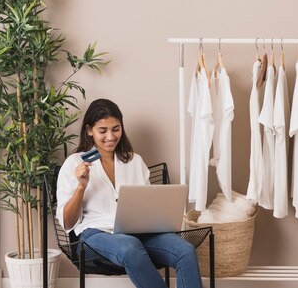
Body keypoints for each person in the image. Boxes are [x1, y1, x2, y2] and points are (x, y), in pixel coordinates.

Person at [56, 98, 202, 288]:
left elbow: (148, 206)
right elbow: (67, 222)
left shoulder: (134, 161)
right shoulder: (74, 163)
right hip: (96, 235)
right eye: (103, 130)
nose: (111, 136)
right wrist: (81, 187)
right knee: (130, 247)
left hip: (139, 232)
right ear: (89, 130)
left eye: (116, 129)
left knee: (185, 250)